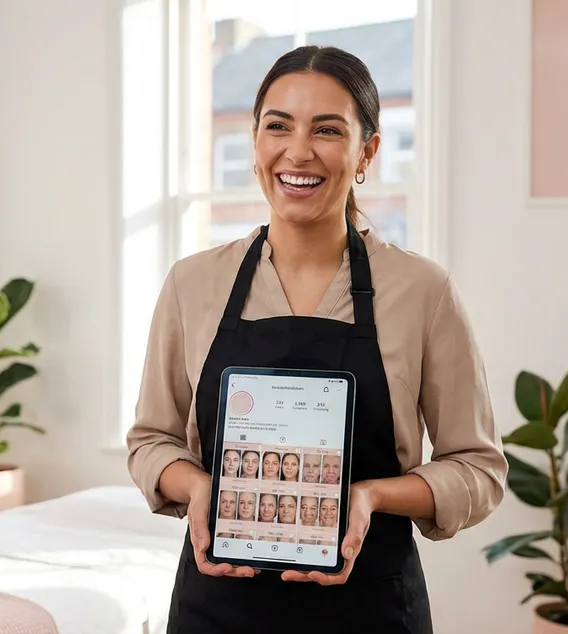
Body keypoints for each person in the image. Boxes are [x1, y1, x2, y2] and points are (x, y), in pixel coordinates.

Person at [125, 45, 507, 633]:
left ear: (367, 152)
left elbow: (478, 469)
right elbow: (152, 440)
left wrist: (370, 498)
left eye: (327, 130)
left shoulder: (422, 290)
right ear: (255, 143)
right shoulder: (192, 283)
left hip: (371, 607)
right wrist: (198, 487)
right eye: (278, 126)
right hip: (217, 609)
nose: (298, 151)